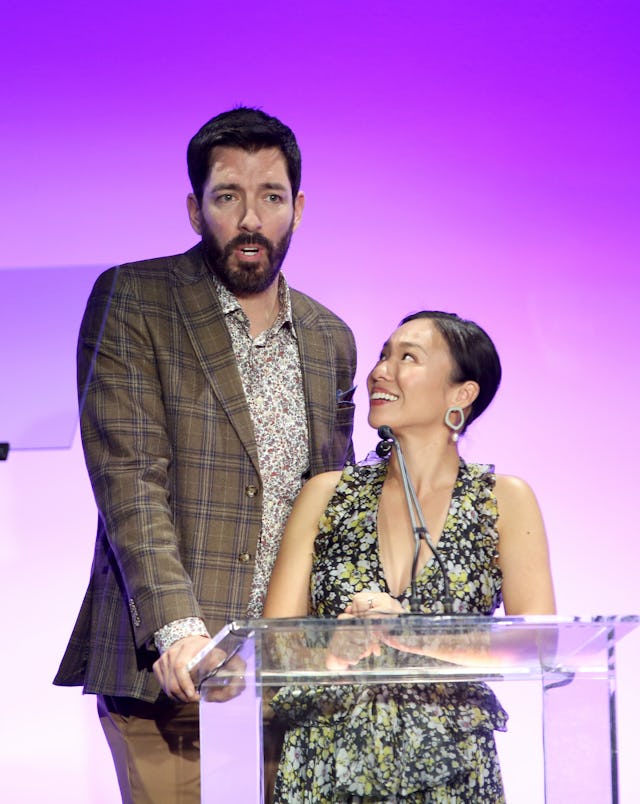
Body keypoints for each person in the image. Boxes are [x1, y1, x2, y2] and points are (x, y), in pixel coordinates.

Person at [53, 107, 357, 803]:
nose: (251, 219)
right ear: (195, 209)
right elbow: (130, 480)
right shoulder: (135, 298)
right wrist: (180, 634)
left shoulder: (329, 337)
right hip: (171, 677)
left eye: (271, 198)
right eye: (228, 197)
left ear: (299, 208)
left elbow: (327, 503)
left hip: (288, 682)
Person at [263, 310, 556, 803]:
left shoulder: (503, 499)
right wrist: (333, 651)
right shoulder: (325, 494)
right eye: (383, 355)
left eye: (408, 358)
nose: (380, 371)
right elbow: (272, 648)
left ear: (461, 395)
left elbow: (539, 646)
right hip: (327, 761)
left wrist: (413, 634)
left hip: (450, 769)